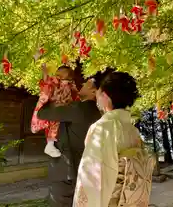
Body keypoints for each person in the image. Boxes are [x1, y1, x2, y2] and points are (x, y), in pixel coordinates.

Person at [73, 71, 156, 207]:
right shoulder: (132, 130)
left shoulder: (103, 128)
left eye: (98, 94)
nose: (97, 99)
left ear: (105, 97)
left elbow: (93, 179)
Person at [37, 68, 114, 207]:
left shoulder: (78, 108)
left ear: (94, 92)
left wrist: (47, 93)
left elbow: (42, 114)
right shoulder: (97, 114)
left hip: (66, 171)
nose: (82, 84)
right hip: (82, 170)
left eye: (87, 84)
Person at [31, 64, 79, 158]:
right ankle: (50, 145)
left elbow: (75, 95)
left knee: (57, 125)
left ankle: (50, 145)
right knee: (54, 125)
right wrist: (45, 72)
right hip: (55, 108)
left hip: (64, 108)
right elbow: (46, 83)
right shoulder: (54, 82)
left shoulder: (70, 84)